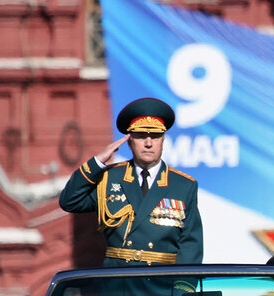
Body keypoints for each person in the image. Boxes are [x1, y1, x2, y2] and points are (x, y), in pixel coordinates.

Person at [59, 97, 203, 267]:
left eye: (155, 136)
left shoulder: (183, 185)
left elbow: (190, 245)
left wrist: (181, 291)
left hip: (161, 285)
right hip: (119, 285)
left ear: (163, 140)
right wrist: (97, 162)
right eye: (141, 136)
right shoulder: (110, 178)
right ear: (129, 141)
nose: (148, 143)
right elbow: (70, 202)